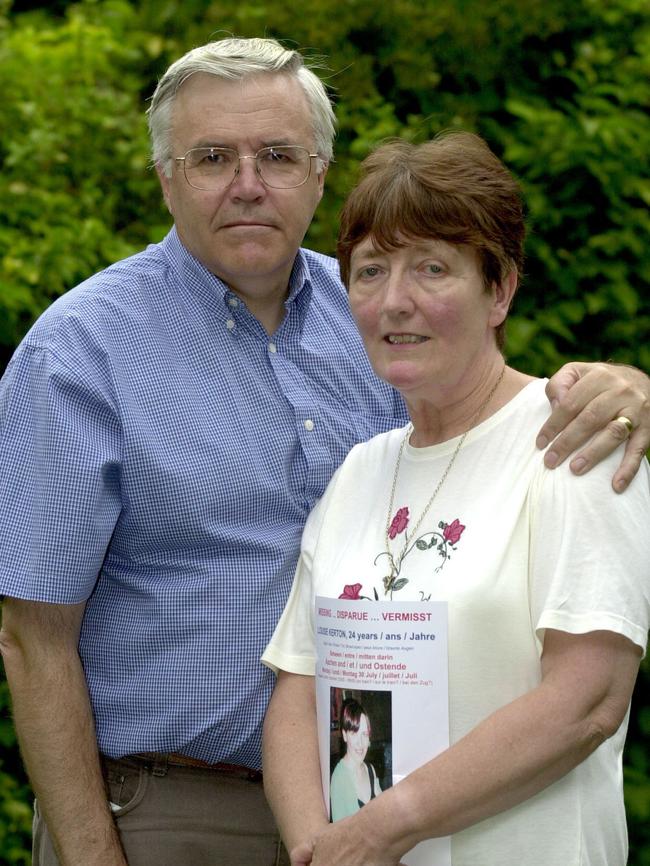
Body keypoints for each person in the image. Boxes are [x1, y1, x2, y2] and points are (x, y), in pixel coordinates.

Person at [0, 36, 648, 866]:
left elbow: (491, 439)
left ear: (318, 169)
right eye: (211, 157)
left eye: (276, 154)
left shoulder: (376, 314)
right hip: (170, 814)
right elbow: (33, 640)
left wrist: (630, 390)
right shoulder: (78, 354)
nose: (247, 183)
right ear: (165, 175)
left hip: (393, 810)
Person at [261, 132, 650, 866]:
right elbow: (298, 687)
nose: (394, 301)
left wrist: (382, 830)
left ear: (499, 289)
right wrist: (319, 847)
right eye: (370, 271)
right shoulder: (359, 472)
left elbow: (589, 701)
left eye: (432, 268)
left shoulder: (576, 442)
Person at [330, 698, 382, 821]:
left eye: (364, 734)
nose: (360, 743)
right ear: (344, 735)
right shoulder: (339, 778)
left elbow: (385, 810)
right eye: (354, 733)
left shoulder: (370, 770)